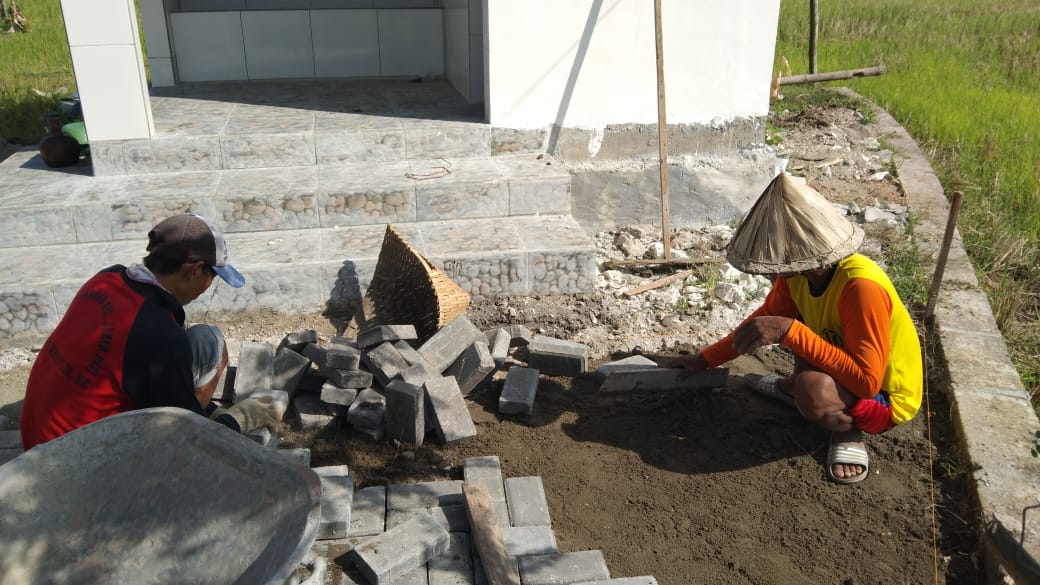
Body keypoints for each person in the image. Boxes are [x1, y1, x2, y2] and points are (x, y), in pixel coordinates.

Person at [671, 172, 923, 484]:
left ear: (805, 255)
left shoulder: (861, 288)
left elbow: (868, 382)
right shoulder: (798, 277)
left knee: (812, 388)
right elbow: (762, 320)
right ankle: (791, 388)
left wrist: (791, 332)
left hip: (886, 398)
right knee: (790, 326)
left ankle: (846, 429)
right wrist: (705, 359)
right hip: (844, 366)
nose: (772, 270)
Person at [20, 213, 279, 449]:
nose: (209, 286)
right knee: (210, 344)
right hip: (78, 465)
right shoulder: (161, 337)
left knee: (204, 341)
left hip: (37, 443)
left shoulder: (106, 279)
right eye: (212, 275)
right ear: (192, 270)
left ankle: (192, 408)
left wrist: (207, 409)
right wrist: (237, 420)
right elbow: (189, 442)